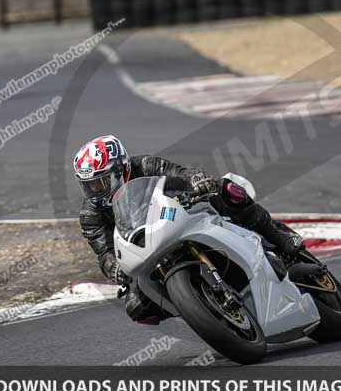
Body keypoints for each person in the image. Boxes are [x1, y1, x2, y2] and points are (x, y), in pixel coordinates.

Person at [74, 135, 305, 323]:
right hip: (143, 246)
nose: (95, 190)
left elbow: (178, 173)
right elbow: (103, 251)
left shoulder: (143, 165)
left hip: (178, 212)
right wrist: (114, 268)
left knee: (226, 191)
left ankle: (278, 235)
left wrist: (195, 179)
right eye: (88, 185)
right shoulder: (90, 214)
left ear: (119, 170)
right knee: (137, 307)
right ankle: (200, 307)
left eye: (100, 182)